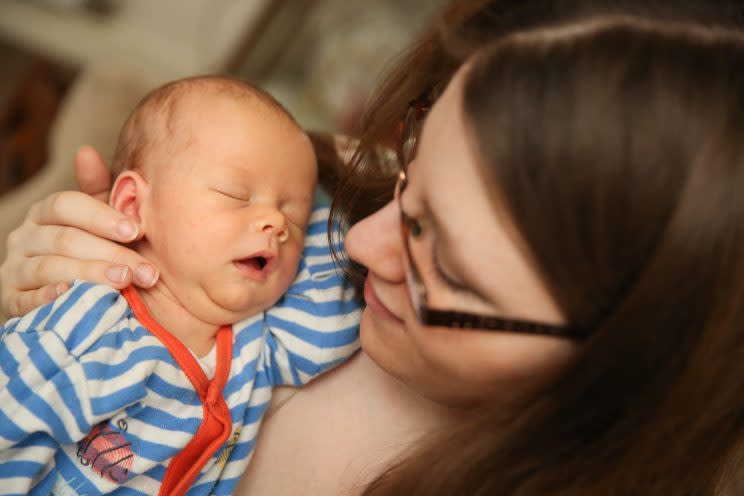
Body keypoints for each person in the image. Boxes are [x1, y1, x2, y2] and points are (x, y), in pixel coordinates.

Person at [3, 2, 744, 495]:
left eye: (442, 262)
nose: (357, 240)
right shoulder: (321, 203)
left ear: (623, 357)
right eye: (410, 165)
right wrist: (46, 281)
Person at [0, 76, 360, 495]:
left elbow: (336, 296)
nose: (277, 223)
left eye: (294, 216)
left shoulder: (256, 347)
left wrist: (356, 176)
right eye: (236, 195)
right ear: (134, 205)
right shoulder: (87, 324)